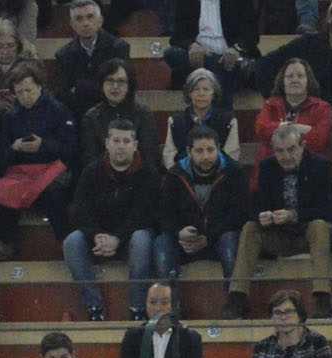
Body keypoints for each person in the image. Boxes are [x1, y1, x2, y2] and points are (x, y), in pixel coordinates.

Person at [228, 124, 332, 320]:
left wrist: (293, 215)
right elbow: (256, 206)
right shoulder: (267, 167)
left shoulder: (321, 166)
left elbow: (328, 209)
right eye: (279, 151)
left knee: (320, 226)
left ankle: (322, 297)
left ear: (302, 146)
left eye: (291, 149)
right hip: (278, 235)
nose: (286, 156)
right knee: (250, 228)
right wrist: (263, 216)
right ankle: (237, 298)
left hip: (308, 233)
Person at [255, 0, 332, 182]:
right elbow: (267, 64)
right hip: (302, 108)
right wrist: (275, 97)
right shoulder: (309, 43)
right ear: (329, 16)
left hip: (329, 114)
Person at [64, 118, 161, 321]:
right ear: (107, 143)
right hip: (97, 239)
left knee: (142, 239)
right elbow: (80, 210)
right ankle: (94, 308)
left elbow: (144, 214)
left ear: (135, 146)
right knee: (72, 242)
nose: (121, 146)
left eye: (126, 141)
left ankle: (137, 308)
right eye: (116, 140)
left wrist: (117, 237)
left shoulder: (148, 173)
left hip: (131, 239)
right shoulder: (91, 171)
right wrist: (96, 235)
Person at [0, 62, 75, 262]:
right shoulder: (12, 117)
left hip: (54, 170)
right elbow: (3, 158)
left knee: (52, 193)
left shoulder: (59, 111)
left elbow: (71, 150)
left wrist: (44, 145)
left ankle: (68, 243)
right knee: (3, 192)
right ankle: (1, 244)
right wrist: (15, 148)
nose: (24, 96)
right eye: (19, 92)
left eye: (28, 90)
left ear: (40, 87)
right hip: (21, 173)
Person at [157, 124, 248, 285]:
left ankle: (235, 302)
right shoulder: (174, 175)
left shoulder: (234, 172)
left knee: (230, 240)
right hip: (185, 242)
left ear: (219, 149)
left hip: (219, 238)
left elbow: (239, 214)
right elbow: (164, 214)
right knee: (162, 243)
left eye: (211, 150)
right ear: (189, 151)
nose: (206, 156)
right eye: (199, 151)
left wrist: (208, 237)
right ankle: (170, 304)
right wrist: (179, 232)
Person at [76, 57, 162, 179]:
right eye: (110, 81)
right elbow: (89, 158)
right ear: (102, 84)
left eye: (121, 81)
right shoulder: (91, 117)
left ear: (129, 85)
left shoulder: (143, 114)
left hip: (138, 179)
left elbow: (151, 156)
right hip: (103, 179)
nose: (115, 86)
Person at [164, 0, 260, 104]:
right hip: (198, 62)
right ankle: (222, 65)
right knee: (171, 54)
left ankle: (220, 68)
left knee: (222, 78)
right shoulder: (187, 2)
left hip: (231, 58)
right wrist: (192, 46)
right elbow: (177, 36)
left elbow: (252, 34)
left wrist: (236, 49)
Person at [116, 281, 203, 358]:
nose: (158, 308)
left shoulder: (190, 338)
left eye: (164, 302)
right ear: (146, 305)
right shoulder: (133, 337)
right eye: (153, 302)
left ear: (174, 305)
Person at [53, 0, 131, 121]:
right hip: (80, 117)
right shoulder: (63, 55)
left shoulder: (118, 48)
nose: (86, 23)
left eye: (90, 17)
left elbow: (124, 87)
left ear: (100, 21)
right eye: (79, 19)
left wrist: (81, 88)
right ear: (72, 25)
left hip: (114, 116)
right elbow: (62, 95)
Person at [255, 58, 332, 169]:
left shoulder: (322, 108)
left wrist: (280, 131)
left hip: (309, 169)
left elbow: (319, 141)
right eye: (290, 76)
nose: (295, 80)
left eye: (300, 76)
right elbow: (262, 130)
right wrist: (298, 128)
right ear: (283, 81)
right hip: (273, 168)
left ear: (308, 80)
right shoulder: (270, 105)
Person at [251, 288, 332, 358]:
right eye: (277, 313)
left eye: (288, 312)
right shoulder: (262, 347)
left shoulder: (318, 342)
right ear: (271, 317)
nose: (283, 317)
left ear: (299, 315)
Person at [161, 68, 240, 169]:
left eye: (206, 89)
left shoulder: (229, 120)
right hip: (184, 177)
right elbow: (169, 156)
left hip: (219, 178)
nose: (201, 94)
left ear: (214, 93)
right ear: (189, 93)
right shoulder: (175, 121)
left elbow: (231, 156)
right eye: (196, 89)